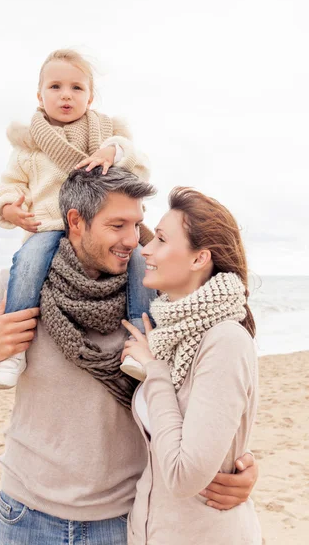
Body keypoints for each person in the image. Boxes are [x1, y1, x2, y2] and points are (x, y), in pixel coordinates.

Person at [0, 168, 258, 545]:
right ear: (76, 222)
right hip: (25, 513)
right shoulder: (15, 291)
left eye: (138, 225)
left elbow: (203, 400)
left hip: (122, 519)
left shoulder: (156, 301)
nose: (133, 240)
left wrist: (240, 464)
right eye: (118, 226)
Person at [0, 48, 152, 389]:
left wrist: (112, 151)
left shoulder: (107, 133)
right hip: (49, 223)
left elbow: (138, 165)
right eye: (55, 87)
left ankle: (140, 341)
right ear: (39, 95)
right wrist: (10, 209)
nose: (66, 94)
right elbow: (9, 186)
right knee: (28, 262)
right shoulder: (28, 146)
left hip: (100, 225)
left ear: (90, 97)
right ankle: (12, 351)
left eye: (77, 88)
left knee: (140, 259)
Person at [121, 186, 261, 544]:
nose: (145, 247)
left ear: (199, 259)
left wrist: (154, 372)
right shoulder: (171, 333)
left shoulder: (225, 340)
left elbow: (184, 476)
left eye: (162, 240)